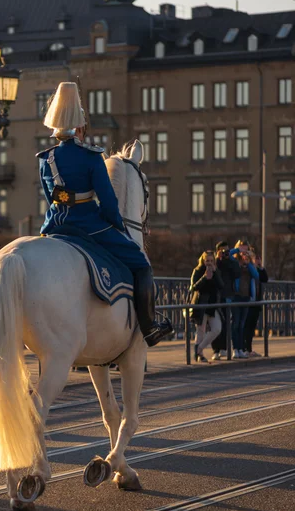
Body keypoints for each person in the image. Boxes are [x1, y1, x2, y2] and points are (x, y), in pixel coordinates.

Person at [36, 81, 172, 347]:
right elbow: (108, 201)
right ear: (80, 127)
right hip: (89, 224)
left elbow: (51, 197)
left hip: (54, 225)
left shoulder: (46, 158)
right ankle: (149, 327)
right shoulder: (91, 157)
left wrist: (65, 206)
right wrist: (116, 223)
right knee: (141, 265)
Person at [190, 251, 224, 363]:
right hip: (201, 304)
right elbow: (193, 287)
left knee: (217, 328)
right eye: (207, 261)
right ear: (203, 260)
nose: (209, 263)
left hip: (213, 305)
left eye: (211, 261)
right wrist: (204, 277)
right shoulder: (198, 270)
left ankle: (199, 348)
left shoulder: (216, 271)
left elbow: (221, 286)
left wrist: (216, 273)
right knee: (201, 330)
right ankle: (200, 354)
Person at [211, 241, 241, 360]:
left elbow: (237, 273)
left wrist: (228, 260)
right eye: (223, 251)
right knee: (215, 325)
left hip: (227, 295)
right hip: (215, 296)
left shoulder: (231, 262)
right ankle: (216, 349)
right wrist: (218, 259)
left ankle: (223, 348)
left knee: (225, 323)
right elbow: (214, 273)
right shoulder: (214, 261)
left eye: (227, 251)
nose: (225, 253)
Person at [231, 240, 259, 359]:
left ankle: (241, 348)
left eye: (246, 250)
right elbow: (228, 253)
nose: (244, 252)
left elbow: (256, 275)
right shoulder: (234, 261)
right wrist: (238, 250)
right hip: (236, 296)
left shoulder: (248, 264)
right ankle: (235, 348)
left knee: (242, 324)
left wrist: (248, 263)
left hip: (246, 296)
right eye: (242, 249)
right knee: (235, 323)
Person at [244, 250, 268, 357]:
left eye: (258, 258)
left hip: (256, 302)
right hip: (248, 301)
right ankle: (244, 348)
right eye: (255, 258)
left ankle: (249, 349)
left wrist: (261, 267)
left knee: (252, 326)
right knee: (246, 325)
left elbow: (264, 279)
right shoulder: (247, 269)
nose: (256, 260)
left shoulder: (257, 270)